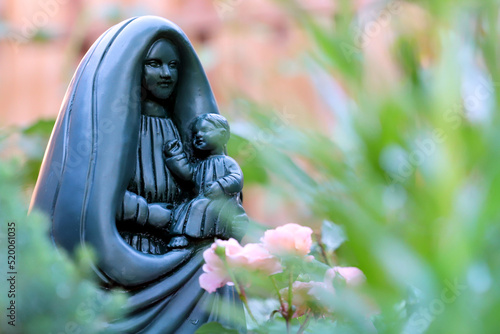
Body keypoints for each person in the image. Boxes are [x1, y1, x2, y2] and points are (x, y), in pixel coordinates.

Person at [30, 16, 246, 333]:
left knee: (216, 273)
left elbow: (203, 181)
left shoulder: (180, 128)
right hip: (131, 260)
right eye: (154, 64)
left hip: (179, 249)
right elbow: (96, 199)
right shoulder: (114, 130)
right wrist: (152, 216)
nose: (166, 74)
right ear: (134, 68)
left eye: (173, 65)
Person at [164, 113, 247, 248]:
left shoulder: (227, 162)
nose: (198, 135)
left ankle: (186, 236)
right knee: (183, 209)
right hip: (203, 200)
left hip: (223, 203)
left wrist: (220, 186)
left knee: (198, 206)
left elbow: (236, 178)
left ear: (222, 134)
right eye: (196, 133)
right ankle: (184, 236)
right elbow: (189, 175)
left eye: (205, 130)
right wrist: (175, 156)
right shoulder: (202, 164)